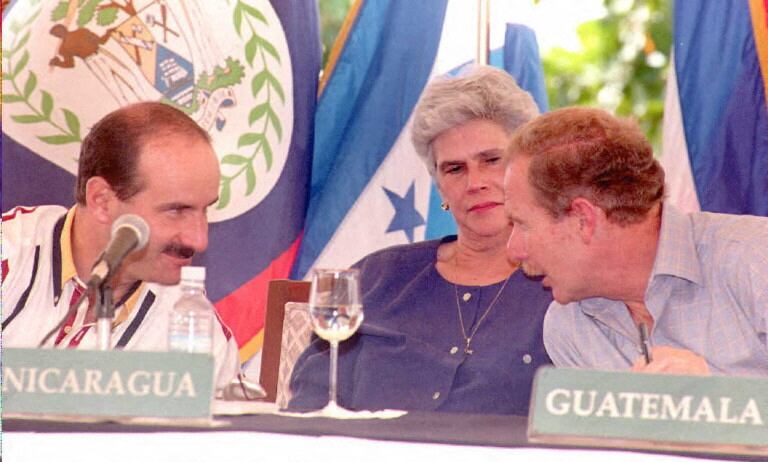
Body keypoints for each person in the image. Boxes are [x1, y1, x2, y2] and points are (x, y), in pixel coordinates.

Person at [289, 67, 553, 415]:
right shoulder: (376, 276)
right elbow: (310, 403)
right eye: (454, 169)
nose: (475, 182)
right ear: (440, 186)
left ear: (529, 169)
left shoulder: (563, 287)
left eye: (492, 160)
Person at [504, 106, 768, 376]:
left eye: (522, 224)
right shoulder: (569, 326)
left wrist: (726, 398)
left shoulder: (756, 259)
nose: (514, 251)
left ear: (583, 219)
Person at [2, 102, 240, 390]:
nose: (199, 240)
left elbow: (230, 431)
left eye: (205, 210)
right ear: (102, 201)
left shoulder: (196, 330)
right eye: (176, 211)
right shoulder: (10, 256)